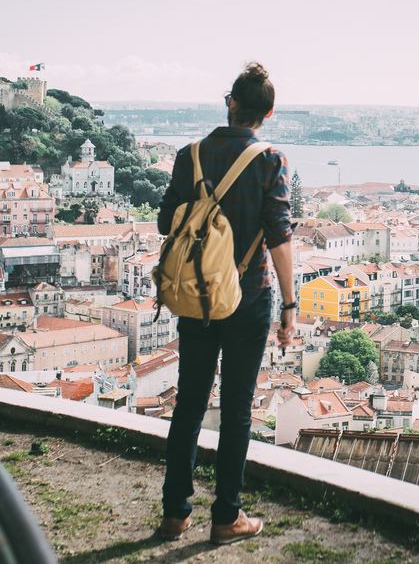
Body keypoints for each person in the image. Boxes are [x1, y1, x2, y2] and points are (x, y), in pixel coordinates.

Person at [155, 62, 298, 546]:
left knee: (189, 404)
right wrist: (290, 306)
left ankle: (175, 514)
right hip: (248, 295)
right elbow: (279, 235)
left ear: (230, 102)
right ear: (269, 112)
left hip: (195, 294)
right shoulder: (270, 160)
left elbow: (164, 222)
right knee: (236, 409)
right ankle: (226, 516)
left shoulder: (188, 155)